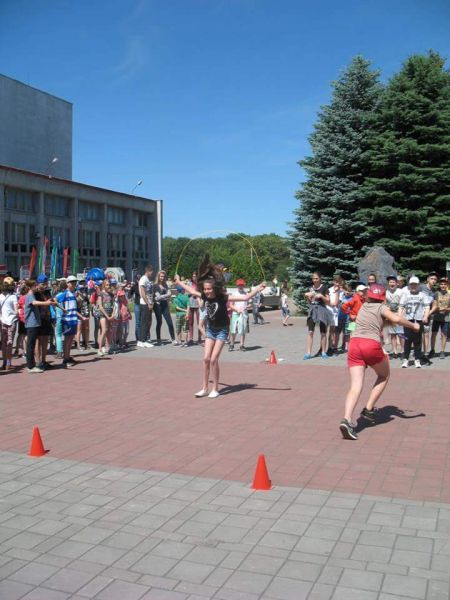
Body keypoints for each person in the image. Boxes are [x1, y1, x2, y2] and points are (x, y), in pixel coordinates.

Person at [175, 255, 265, 398]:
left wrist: (259, 288)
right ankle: (204, 388)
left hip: (222, 331)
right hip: (211, 330)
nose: (207, 291)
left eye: (209, 289)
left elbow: (245, 298)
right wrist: (179, 281)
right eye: (205, 289)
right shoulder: (204, 296)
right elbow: (191, 291)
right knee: (205, 359)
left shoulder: (223, 297)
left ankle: (215, 389)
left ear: (214, 288)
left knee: (213, 359)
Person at [339, 284, 421, 440]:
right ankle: (369, 408)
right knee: (384, 375)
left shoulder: (364, 306)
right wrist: (414, 325)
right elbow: (396, 319)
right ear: (383, 298)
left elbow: (381, 322)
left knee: (355, 386)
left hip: (354, 344)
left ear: (368, 295)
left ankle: (347, 419)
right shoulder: (381, 307)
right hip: (370, 345)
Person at [399, 276, 431, 368]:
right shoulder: (405, 295)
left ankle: (417, 359)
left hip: (419, 320)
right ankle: (406, 359)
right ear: (409, 285)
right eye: (412, 284)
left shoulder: (423, 295)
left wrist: (425, 316)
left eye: (415, 284)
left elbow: (427, 307)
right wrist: (399, 317)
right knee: (407, 340)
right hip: (407, 320)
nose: (413, 286)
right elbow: (401, 307)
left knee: (417, 341)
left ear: (418, 285)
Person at [24, 280, 56, 373]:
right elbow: (34, 303)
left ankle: (33, 365)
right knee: (31, 345)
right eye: (35, 285)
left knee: (32, 344)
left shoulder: (32, 294)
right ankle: (30, 366)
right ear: (31, 286)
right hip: (31, 323)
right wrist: (46, 303)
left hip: (35, 323)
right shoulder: (30, 295)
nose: (36, 287)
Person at [56, 275, 87, 367]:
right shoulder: (65, 293)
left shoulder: (74, 294)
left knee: (70, 340)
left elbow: (75, 308)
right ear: (67, 283)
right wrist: (63, 309)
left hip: (73, 320)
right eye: (72, 282)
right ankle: (65, 359)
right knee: (67, 339)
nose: (74, 284)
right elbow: (54, 300)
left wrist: (81, 317)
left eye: (75, 282)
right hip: (67, 320)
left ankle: (68, 356)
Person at [304, 272, 333, 360]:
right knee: (310, 332)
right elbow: (309, 302)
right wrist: (308, 297)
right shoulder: (310, 288)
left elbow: (328, 301)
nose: (315, 280)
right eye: (313, 279)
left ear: (320, 278)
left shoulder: (324, 288)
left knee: (323, 332)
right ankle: (308, 353)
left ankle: (323, 352)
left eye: (316, 278)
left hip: (322, 310)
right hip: (313, 310)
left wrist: (321, 296)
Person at [34, 275, 53, 370]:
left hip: (47, 318)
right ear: (37, 283)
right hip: (38, 319)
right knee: (38, 341)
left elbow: (52, 301)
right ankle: (38, 362)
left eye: (46, 283)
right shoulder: (35, 293)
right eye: (43, 284)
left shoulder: (47, 291)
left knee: (45, 340)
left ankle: (44, 360)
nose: (45, 285)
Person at [153, 270, 176, 345]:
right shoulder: (155, 285)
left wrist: (163, 296)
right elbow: (158, 297)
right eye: (161, 276)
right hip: (157, 306)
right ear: (158, 277)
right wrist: (166, 296)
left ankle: (173, 339)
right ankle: (158, 339)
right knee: (159, 322)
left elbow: (169, 294)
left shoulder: (166, 285)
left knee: (170, 322)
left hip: (165, 305)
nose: (162, 278)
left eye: (163, 276)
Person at [429, 277, 450, 359]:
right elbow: (433, 304)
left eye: (444, 284)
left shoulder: (449, 294)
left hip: (446, 318)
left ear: (447, 285)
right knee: (434, 334)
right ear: (439, 285)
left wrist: (446, 309)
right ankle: (432, 350)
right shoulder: (436, 293)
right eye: (441, 284)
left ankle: (442, 351)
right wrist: (435, 308)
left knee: (443, 334)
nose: (443, 285)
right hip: (436, 317)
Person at [0, 278, 18, 370]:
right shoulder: (13, 297)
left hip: (3, 321)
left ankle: (4, 363)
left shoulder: (0, 296)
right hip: (12, 321)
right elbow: (16, 311)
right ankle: (8, 363)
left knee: (3, 343)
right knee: (9, 343)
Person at [385, 276, 403, 359]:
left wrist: (400, 314)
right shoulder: (386, 292)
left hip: (400, 314)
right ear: (388, 283)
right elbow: (385, 303)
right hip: (390, 314)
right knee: (392, 334)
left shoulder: (401, 291)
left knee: (401, 334)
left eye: (393, 282)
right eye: (390, 282)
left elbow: (403, 304)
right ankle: (395, 351)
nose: (392, 284)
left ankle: (402, 351)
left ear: (396, 283)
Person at [229, 279, 249, 351]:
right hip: (235, 313)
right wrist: (236, 309)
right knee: (233, 329)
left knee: (243, 330)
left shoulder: (246, 294)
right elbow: (230, 305)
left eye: (242, 285)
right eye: (239, 285)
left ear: (244, 285)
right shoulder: (234, 294)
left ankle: (242, 345)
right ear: (237, 285)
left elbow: (249, 304)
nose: (240, 286)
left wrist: (246, 307)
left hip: (243, 313)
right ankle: (232, 344)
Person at [421, 272, 438, 359]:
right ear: (428, 279)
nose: (433, 281)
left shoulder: (434, 292)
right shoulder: (421, 287)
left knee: (426, 334)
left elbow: (435, 306)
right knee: (415, 334)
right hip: (417, 315)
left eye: (435, 279)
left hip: (427, 316)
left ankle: (425, 353)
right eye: (432, 279)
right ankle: (416, 352)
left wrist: (428, 313)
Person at [326, 275, 345, 356]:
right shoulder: (328, 290)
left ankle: (332, 348)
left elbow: (336, 303)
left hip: (335, 314)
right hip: (327, 312)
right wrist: (331, 303)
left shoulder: (341, 292)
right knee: (326, 331)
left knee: (332, 331)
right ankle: (327, 348)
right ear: (333, 282)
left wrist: (337, 292)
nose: (337, 284)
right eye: (336, 282)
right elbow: (327, 301)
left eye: (339, 282)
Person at [137, 265, 154, 348]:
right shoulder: (143, 279)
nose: (152, 274)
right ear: (148, 271)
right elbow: (143, 292)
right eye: (151, 272)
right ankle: (142, 340)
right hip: (144, 303)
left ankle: (142, 339)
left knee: (147, 322)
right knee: (144, 322)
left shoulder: (147, 279)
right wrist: (148, 303)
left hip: (148, 302)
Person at [96, 279, 114, 355]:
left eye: (109, 284)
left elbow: (113, 305)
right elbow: (100, 306)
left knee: (109, 331)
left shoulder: (111, 294)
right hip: (103, 315)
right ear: (104, 285)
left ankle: (108, 347)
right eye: (107, 284)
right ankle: (100, 349)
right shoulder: (101, 294)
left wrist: (112, 315)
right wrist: (107, 316)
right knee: (104, 331)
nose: (108, 286)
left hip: (110, 314)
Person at [187, 272, 202, 345]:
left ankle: (199, 337)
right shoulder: (189, 284)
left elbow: (202, 293)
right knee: (190, 322)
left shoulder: (199, 284)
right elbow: (187, 292)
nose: (194, 278)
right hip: (190, 304)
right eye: (193, 276)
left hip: (198, 305)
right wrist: (191, 293)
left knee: (199, 322)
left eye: (195, 276)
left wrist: (196, 293)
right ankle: (191, 338)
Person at [76, 282, 91, 351]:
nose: (83, 291)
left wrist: (88, 314)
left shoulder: (85, 297)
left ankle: (87, 343)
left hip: (86, 314)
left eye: (84, 289)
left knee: (87, 329)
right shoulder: (77, 298)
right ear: (78, 290)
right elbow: (75, 309)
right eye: (81, 289)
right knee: (79, 330)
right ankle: (78, 345)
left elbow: (88, 305)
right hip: (79, 316)